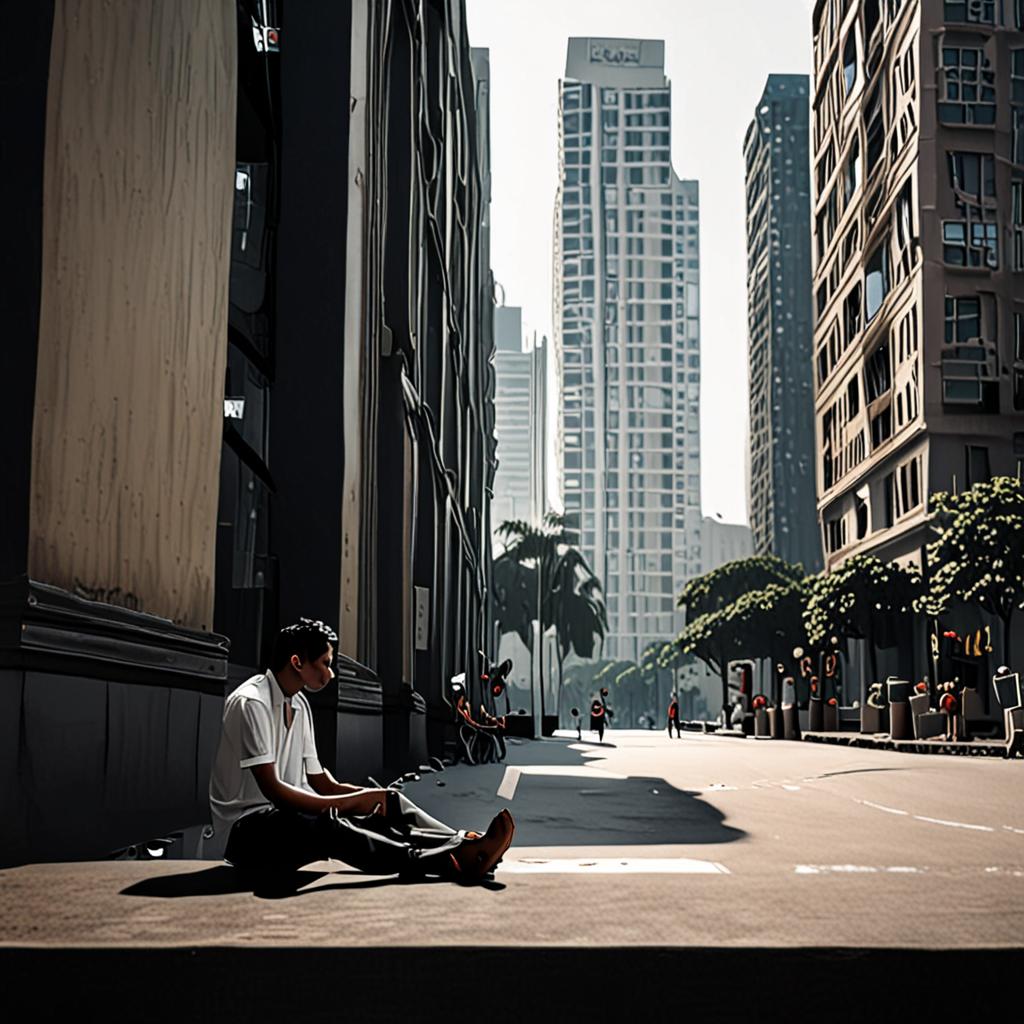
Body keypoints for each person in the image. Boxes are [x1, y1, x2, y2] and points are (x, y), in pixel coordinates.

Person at [208, 618, 514, 882]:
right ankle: (449, 860)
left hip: (288, 818)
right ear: (297, 662)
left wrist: (370, 799)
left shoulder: (299, 704)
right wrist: (347, 805)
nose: (331, 674)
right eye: (325, 664)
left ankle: (462, 844)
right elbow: (273, 790)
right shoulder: (253, 702)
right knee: (330, 823)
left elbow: (321, 783)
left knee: (387, 802)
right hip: (245, 833)